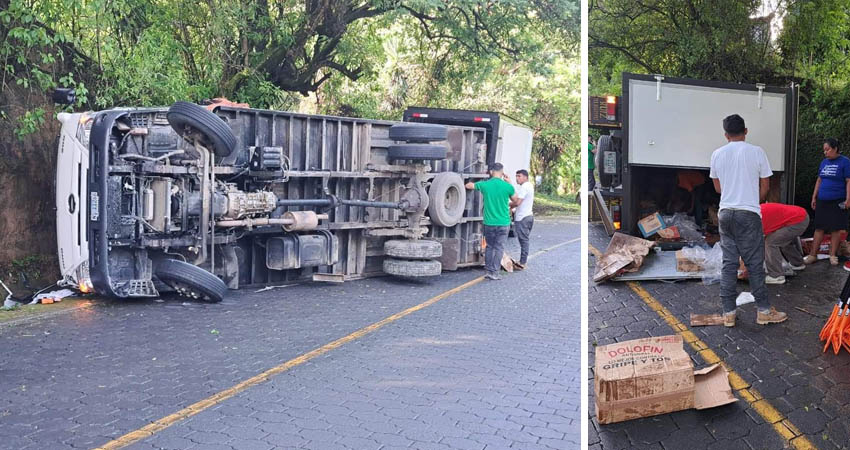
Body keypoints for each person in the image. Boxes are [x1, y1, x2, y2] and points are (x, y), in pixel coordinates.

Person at [709, 114, 786, 327]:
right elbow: (766, 185)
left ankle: (728, 314)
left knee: (729, 264)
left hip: (725, 213)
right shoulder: (757, 152)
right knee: (754, 264)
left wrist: (732, 194)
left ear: (726, 134)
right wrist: (752, 199)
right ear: (746, 131)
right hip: (749, 213)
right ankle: (763, 311)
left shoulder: (717, 154)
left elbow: (717, 188)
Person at [465, 163, 518, 280]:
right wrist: (509, 183)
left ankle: (488, 271)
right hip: (504, 222)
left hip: (489, 223)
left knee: (489, 246)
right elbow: (516, 200)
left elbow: (470, 186)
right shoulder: (507, 187)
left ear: (491, 172)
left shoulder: (485, 185)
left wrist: (465, 183)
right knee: (499, 247)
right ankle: (495, 272)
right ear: (502, 173)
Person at [805, 138, 850, 266]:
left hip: (837, 200)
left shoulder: (845, 162)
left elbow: (848, 181)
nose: (825, 152)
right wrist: (814, 197)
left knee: (835, 229)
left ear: (835, 148)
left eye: (827, 149)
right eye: (824, 150)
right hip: (822, 200)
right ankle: (813, 254)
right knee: (819, 228)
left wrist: (848, 199)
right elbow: (819, 180)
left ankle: (832, 255)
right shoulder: (824, 162)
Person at [760, 203, 809, 284]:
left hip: (798, 220)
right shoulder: (754, 212)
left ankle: (776, 276)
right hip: (800, 216)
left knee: (771, 242)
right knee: (781, 240)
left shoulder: (756, 222)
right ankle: (797, 263)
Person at [510, 169, 535, 268]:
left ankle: (522, 262)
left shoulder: (525, 187)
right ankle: (522, 261)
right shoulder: (529, 186)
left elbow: (517, 202)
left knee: (523, 240)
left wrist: (509, 206)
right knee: (524, 240)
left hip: (523, 218)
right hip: (528, 216)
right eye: (516, 176)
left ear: (525, 177)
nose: (517, 178)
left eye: (519, 176)